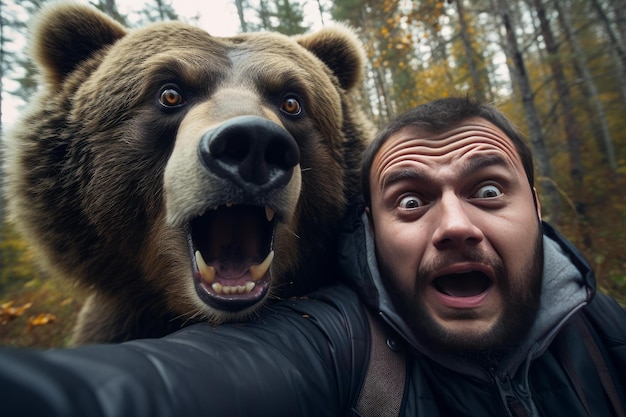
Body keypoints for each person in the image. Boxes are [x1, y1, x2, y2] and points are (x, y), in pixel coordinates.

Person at [1, 96, 625, 417]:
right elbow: (155, 389)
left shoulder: (608, 335)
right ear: (370, 228)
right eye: (410, 203)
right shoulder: (341, 343)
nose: (455, 227)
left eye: (488, 190)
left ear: (538, 208)